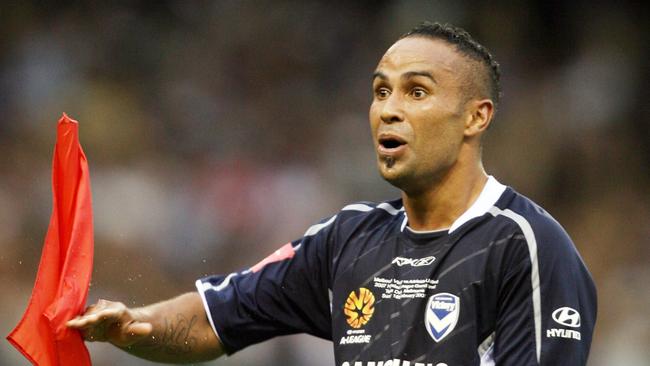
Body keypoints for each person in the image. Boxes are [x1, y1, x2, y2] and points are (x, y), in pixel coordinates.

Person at [67, 22, 597, 366]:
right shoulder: (348, 238)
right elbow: (212, 318)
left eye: (417, 92)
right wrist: (132, 327)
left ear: (476, 117)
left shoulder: (524, 244)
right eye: (380, 91)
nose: (389, 108)